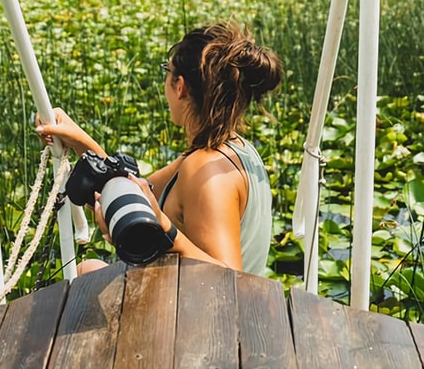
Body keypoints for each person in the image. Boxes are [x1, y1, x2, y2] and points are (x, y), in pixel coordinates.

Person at [36, 21, 282, 276]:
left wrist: (166, 231)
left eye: (167, 70)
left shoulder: (205, 171)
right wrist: (79, 139)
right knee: (88, 269)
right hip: (201, 302)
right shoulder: (229, 148)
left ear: (180, 86)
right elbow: (130, 190)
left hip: (214, 312)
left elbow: (230, 278)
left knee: (87, 272)